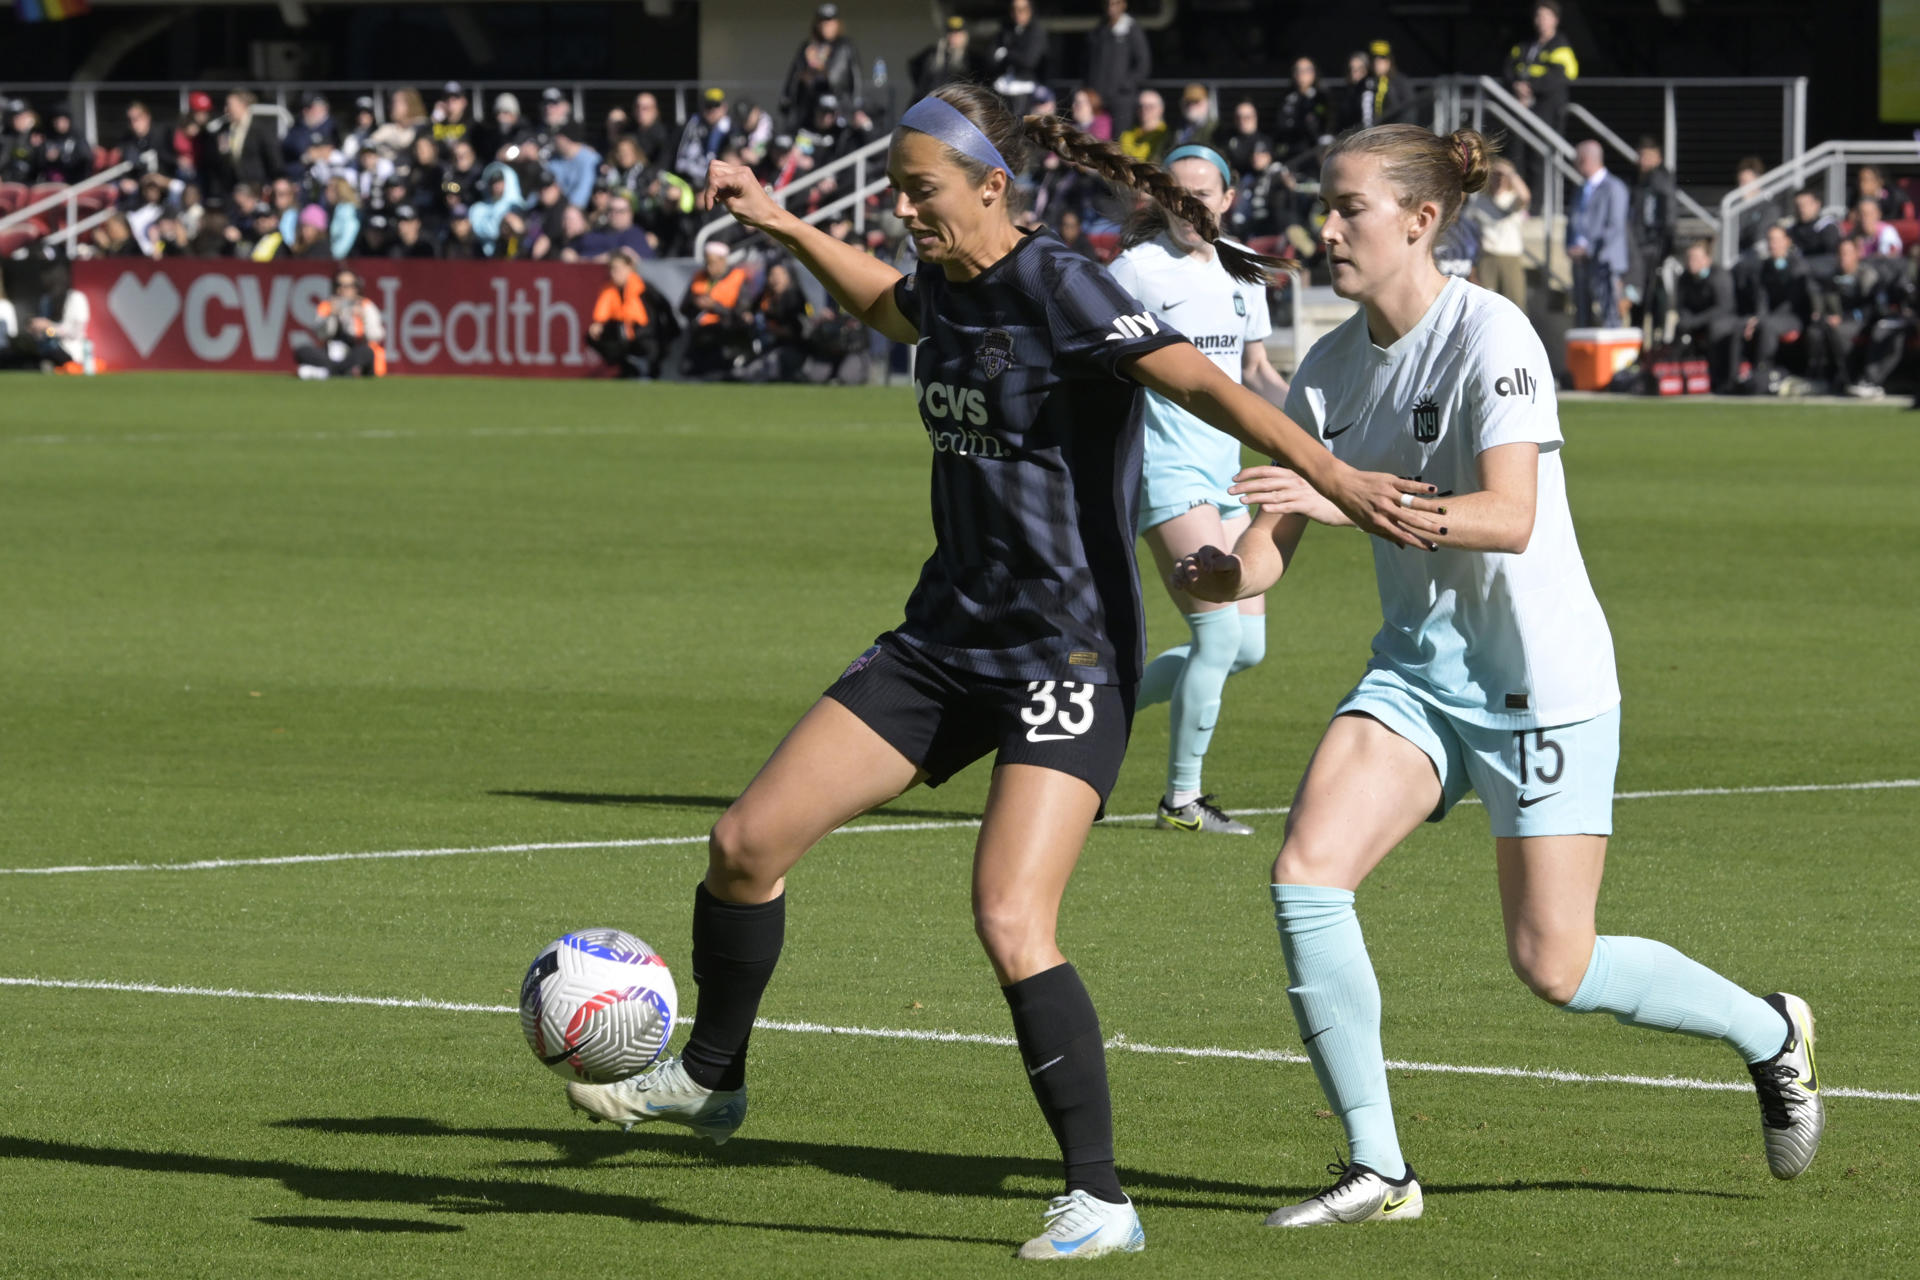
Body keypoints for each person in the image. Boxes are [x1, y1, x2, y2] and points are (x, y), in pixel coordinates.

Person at [561, 82, 1429, 1261]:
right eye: (896, 190)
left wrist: (1336, 479)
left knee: (1011, 913)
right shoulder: (954, 287)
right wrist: (780, 223)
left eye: (921, 190)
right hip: (945, 637)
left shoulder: (1062, 284)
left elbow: (1209, 386)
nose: (905, 209)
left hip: (1064, 649)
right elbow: (888, 305)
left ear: (992, 186)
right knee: (744, 844)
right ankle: (713, 1075)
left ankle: (1102, 1197)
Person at [1174, 121, 1823, 1230]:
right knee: (1305, 871)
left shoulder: (1494, 334)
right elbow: (1276, 537)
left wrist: (1356, 496)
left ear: (1420, 220)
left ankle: (1772, 1033)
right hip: (1418, 678)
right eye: (1323, 207)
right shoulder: (1328, 367)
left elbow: (1509, 517)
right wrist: (1225, 567)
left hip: (1543, 684)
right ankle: (1379, 1168)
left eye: (1348, 209)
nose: (1324, 228)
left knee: (1554, 963)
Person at [1107, 144, 1297, 835]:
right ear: (1160, 198)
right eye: (1177, 193)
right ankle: (1180, 802)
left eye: (1203, 194)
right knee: (1216, 637)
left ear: (1228, 196)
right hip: (1165, 470)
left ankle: (1107, 706)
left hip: (1227, 472)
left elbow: (1255, 371)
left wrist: (1312, 425)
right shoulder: (1135, 271)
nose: (1191, 206)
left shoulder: (1245, 268)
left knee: (1248, 649)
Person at [1743, 224, 1813, 393]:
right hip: (1770, 317)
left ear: (1787, 242)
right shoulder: (1764, 267)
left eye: (1776, 240)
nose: (1772, 244)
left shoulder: (1798, 266)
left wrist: (1764, 320)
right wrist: (1757, 318)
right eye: (1770, 240)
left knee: (1767, 326)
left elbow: (1793, 301)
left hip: (1793, 317)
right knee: (1745, 325)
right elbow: (1762, 299)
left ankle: (1763, 372)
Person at [1567, 140, 1629, 326]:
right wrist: (1569, 246)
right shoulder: (1581, 189)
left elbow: (1615, 226)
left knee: (1609, 314)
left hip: (1604, 261)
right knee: (1581, 314)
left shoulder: (1614, 187)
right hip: (1580, 261)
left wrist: (1589, 248)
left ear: (1584, 159)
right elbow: (1572, 222)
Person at [781, 3, 864, 133]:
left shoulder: (845, 46)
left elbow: (855, 78)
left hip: (839, 109)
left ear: (837, 23)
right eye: (823, 22)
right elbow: (795, 78)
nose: (827, 26)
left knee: (839, 148)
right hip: (811, 111)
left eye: (830, 22)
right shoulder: (808, 46)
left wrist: (856, 107)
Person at [679, 240, 755, 378]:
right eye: (707, 263)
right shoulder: (699, 277)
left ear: (723, 260)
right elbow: (683, 308)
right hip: (699, 334)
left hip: (726, 333)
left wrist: (714, 306)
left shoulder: (737, 278)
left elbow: (742, 312)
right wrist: (696, 303)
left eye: (712, 263)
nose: (709, 267)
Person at [1673, 238, 1740, 391]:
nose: (1691, 262)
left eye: (1696, 258)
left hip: (1721, 320)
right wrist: (1686, 319)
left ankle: (1719, 381)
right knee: (1680, 327)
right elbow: (1681, 305)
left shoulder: (1719, 276)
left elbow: (1724, 307)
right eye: (1689, 258)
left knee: (1716, 329)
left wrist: (1695, 321)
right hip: (1697, 321)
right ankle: (1678, 378)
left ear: (1707, 259)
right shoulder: (1685, 278)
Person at [294, 270, 385, 380]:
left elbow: (376, 336)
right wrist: (332, 316)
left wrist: (362, 317)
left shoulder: (365, 306)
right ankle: (340, 372)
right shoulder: (327, 306)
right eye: (340, 285)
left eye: (349, 286)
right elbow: (321, 335)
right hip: (331, 354)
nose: (344, 290)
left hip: (354, 353)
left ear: (356, 288)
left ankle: (327, 372)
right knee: (303, 351)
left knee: (366, 353)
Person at [1505, 1, 1578, 137]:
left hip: (1548, 108)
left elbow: (1560, 75)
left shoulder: (1561, 46)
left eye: (1545, 16)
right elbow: (1509, 68)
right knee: (1516, 147)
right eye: (1538, 16)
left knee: (1540, 150)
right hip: (1522, 104)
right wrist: (1515, 85)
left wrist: (1530, 87)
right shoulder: (1525, 45)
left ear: (1555, 20)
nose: (1541, 20)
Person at [1466, 157, 1529, 311]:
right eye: (1495, 174)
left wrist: (1509, 172)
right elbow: (1467, 228)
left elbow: (1525, 197)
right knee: (1486, 306)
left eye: (1502, 175)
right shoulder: (1480, 202)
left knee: (1516, 305)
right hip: (1487, 257)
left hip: (1510, 258)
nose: (1499, 178)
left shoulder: (1512, 198)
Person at [1625, 138, 1676, 329]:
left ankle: (1651, 338)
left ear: (1658, 158)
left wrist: (1663, 246)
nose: (1643, 160)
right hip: (1638, 246)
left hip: (1651, 247)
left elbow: (1666, 217)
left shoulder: (1659, 180)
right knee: (1638, 295)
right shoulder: (1637, 181)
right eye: (1641, 155)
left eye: (1648, 156)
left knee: (1650, 295)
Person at [587, 248, 661, 379]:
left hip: (645, 336)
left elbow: (659, 315)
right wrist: (598, 324)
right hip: (623, 335)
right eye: (611, 269)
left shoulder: (644, 290)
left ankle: (646, 368)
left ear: (630, 268)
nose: (614, 273)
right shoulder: (608, 290)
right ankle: (628, 366)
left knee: (646, 344)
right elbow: (604, 314)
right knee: (593, 335)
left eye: (618, 269)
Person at [1086, 0, 1151, 135]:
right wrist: (1090, 88)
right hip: (1097, 97)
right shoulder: (1099, 30)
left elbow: (1143, 63)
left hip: (1122, 99)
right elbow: (1088, 63)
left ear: (1124, 5)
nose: (1111, 7)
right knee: (1096, 136)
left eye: (1115, 3)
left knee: (1120, 139)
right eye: (1108, 3)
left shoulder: (1132, 29)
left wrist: (1126, 85)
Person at [989, 0, 1051, 115]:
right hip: (1003, 88)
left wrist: (1007, 54)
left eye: (1022, 9)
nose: (1017, 13)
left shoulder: (1036, 31)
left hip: (1026, 91)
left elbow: (1029, 60)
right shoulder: (1005, 30)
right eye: (1014, 9)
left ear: (1030, 10)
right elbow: (991, 57)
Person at [1274, 59, 1333, 178]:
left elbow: (1324, 125)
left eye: (1307, 70)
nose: (1302, 74)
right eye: (1298, 70)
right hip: (1292, 153)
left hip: (1314, 153)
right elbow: (1281, 127)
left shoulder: (1321, 97)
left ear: (1314, 73)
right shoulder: (1287, 98)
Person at [220, 90, 283, 195]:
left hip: (257, 187)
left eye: (230, 105)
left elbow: (273, 157)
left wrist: (272, 181)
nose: (226, 109)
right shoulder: (225, 130)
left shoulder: (261, 127)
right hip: (234, 187)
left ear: (242, 105)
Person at [914, 15, 984, 101]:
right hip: (930, 100)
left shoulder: (972, 58)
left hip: (959, 103)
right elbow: (914, 66)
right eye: (950, 32)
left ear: (965, 35)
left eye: (957, 33)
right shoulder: (932, 54)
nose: (953, 37)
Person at [1363, 42, 1414, 128]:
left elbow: (1410, 110)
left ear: (1390, 61)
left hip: (1395, 131)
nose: (1377, 63)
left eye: (1382, 58)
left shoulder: (1401, 82)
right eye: (1374, 59)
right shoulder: (1367, 83)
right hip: (1372, 132)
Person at [1118, 90, 1169, 166]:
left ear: (1161, 109)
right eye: (1140, 106)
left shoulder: (1167, 134)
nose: (1144, 110)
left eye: (1150, 107)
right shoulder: (1127, 134)